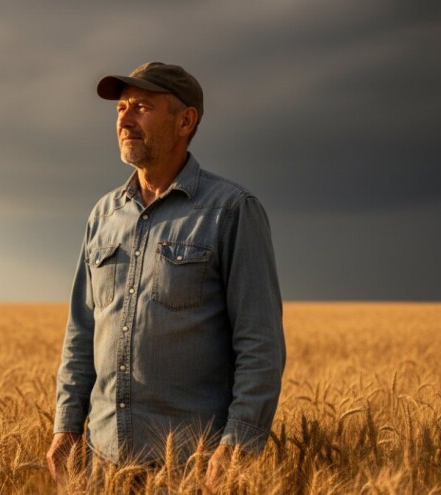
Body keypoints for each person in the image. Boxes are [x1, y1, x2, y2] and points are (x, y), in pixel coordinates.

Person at [46, 62, 286, 487]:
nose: (125, 118)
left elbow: (260, 342)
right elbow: (82, 332)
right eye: (121, 108)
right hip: (103, 464)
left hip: (191, 468)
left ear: (185, 120)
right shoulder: (104, 214)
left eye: (141, 107)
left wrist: (240, 443)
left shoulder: (231, 211)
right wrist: (66, 426)